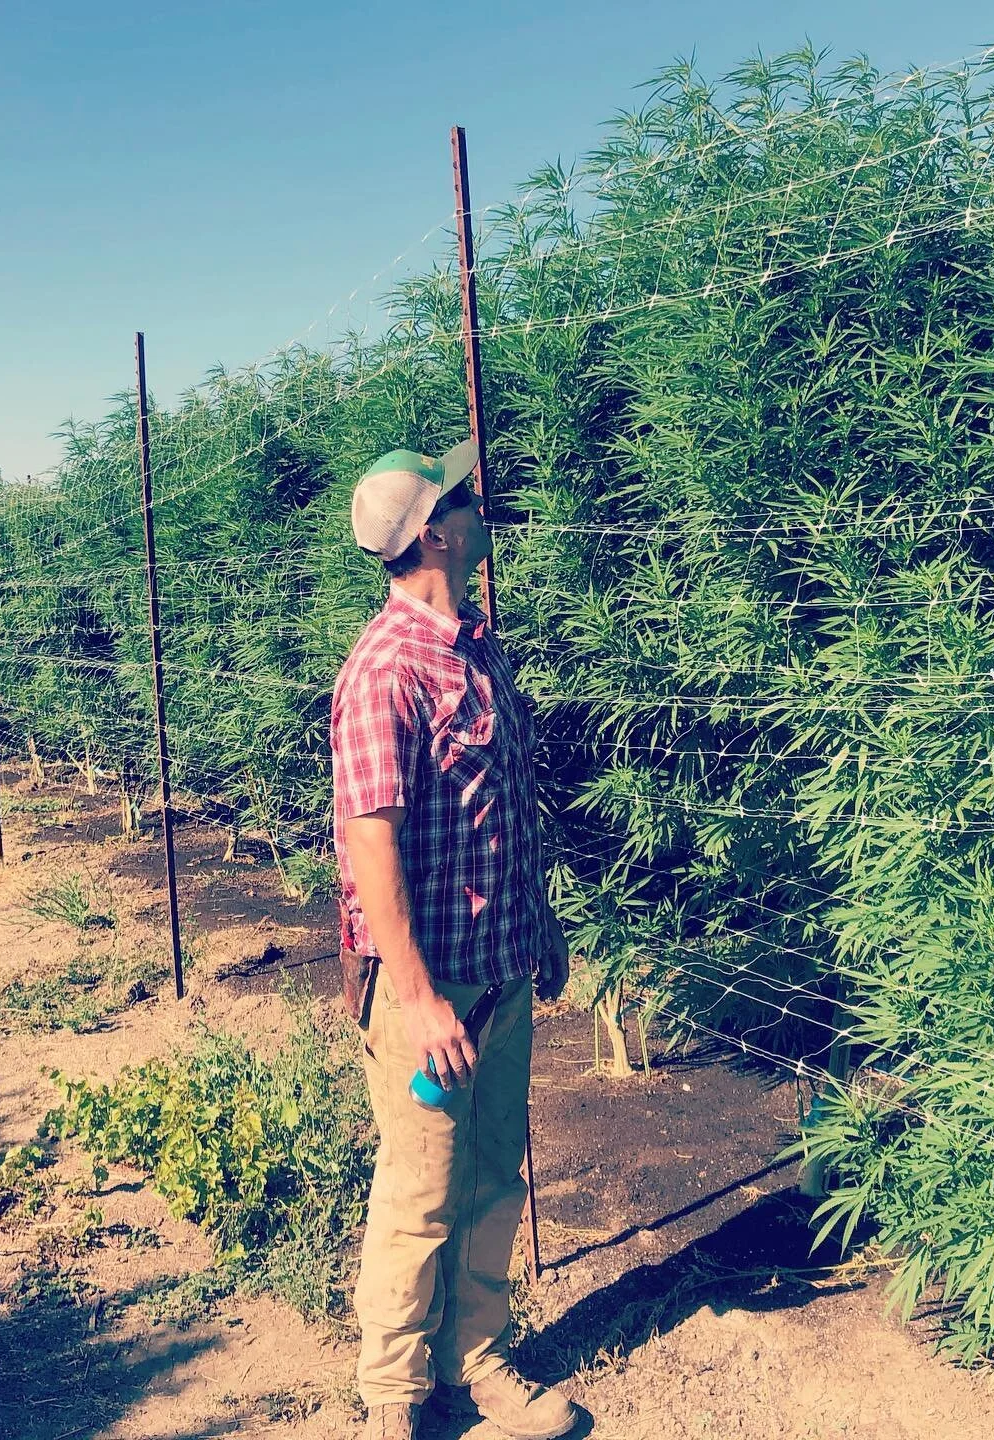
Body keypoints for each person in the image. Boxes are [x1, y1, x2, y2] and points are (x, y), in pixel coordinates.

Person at [331, 441, 576, 1440]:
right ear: (435, 531)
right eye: (466, 499)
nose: (483, 509)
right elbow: (369, 843)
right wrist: (420, 995)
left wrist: (540, 921)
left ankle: (474, 1360)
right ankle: (393, 1397)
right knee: (420, 1190)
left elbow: (500, 808)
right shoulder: (386, 669)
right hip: (426, 994)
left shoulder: (476, 646)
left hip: (500, 966)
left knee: (489, 1180)